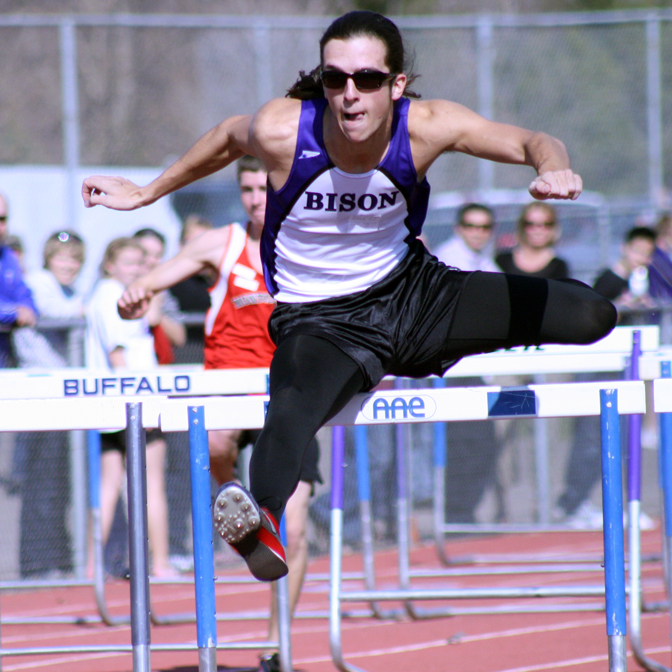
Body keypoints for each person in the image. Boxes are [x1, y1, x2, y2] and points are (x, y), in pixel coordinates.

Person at [83, 11, 616, 585]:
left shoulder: (428, 126)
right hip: (322, 322)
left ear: (397, 85)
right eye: (335, 80)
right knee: (290, 406)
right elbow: (225, 138)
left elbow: (533, 139)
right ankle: (259, 519)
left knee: (593, 314)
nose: (350, 96)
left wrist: (553, 167)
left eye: (366, 79)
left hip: (416, 295)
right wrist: (145, 192)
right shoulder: (285, 130)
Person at [116, 156, 321, 671]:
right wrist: (138, 295)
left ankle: (276, 646)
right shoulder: (223, 243)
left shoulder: (313, 245)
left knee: (295, 531)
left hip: (291, 394)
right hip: (228, 387)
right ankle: (243, 513)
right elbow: (162, 275)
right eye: (248, 188)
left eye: (265, 188)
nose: (257, 198)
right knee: (214, 444)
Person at [553, 226, 657, 529]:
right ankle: (572, 502)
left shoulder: (642, 280)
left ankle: (618, 503)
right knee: (590, 438)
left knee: (620, 438)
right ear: (625, 248)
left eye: (647, 254)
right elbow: (596, 315)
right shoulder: (609, 279)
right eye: (637, 251)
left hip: (623, 369)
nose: (640, 258)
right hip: (599, 367)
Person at [85, 237, 175, 577]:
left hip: (112, 403)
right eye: (129, 263)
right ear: (110, 264)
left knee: (110, 485)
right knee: (151, 483)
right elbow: (117, 352)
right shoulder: (112, 295)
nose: (137, 269)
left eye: (140, 263)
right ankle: (160, 561)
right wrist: (141, 403)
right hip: (132, 400)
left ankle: (93, 566)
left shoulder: (104, 295)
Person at [10, 231, 86, 576]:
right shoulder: (40, 282)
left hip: (63, 392)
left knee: (59, 482)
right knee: (41, 480)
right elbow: (55, 312)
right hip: (39, 391)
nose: (68, 264)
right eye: (61, 256)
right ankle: (37, 561)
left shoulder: (69, 288)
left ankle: (56, 555)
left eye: (74, 258)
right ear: (48, 258)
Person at [433, 204, 502, 523]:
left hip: (476, 370)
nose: (478, 232)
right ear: (459, 227)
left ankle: (462, 513)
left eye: (484, 227)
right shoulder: (449, 259)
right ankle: (455, 514)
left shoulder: (486, 263)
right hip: (451, 371)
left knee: (480, 445)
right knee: (463, 446)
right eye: (471, 225)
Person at [0, 192, 37, 368]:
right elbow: (19, 310)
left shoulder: (8, 257)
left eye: (2, 219)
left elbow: (25, 297)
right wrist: (14, 313)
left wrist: (27, 310)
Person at [496, 202, 570, 279]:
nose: (538, 231)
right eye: (530, 224)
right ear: (522, 226)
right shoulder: (502, 261)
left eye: (546, 224)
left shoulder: (559, 267)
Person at [434, 203, 501, 273]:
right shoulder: (449, 257)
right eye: (470, 226)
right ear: (457, 228)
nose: (478, 234)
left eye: (485, 227)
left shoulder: (483, 253)